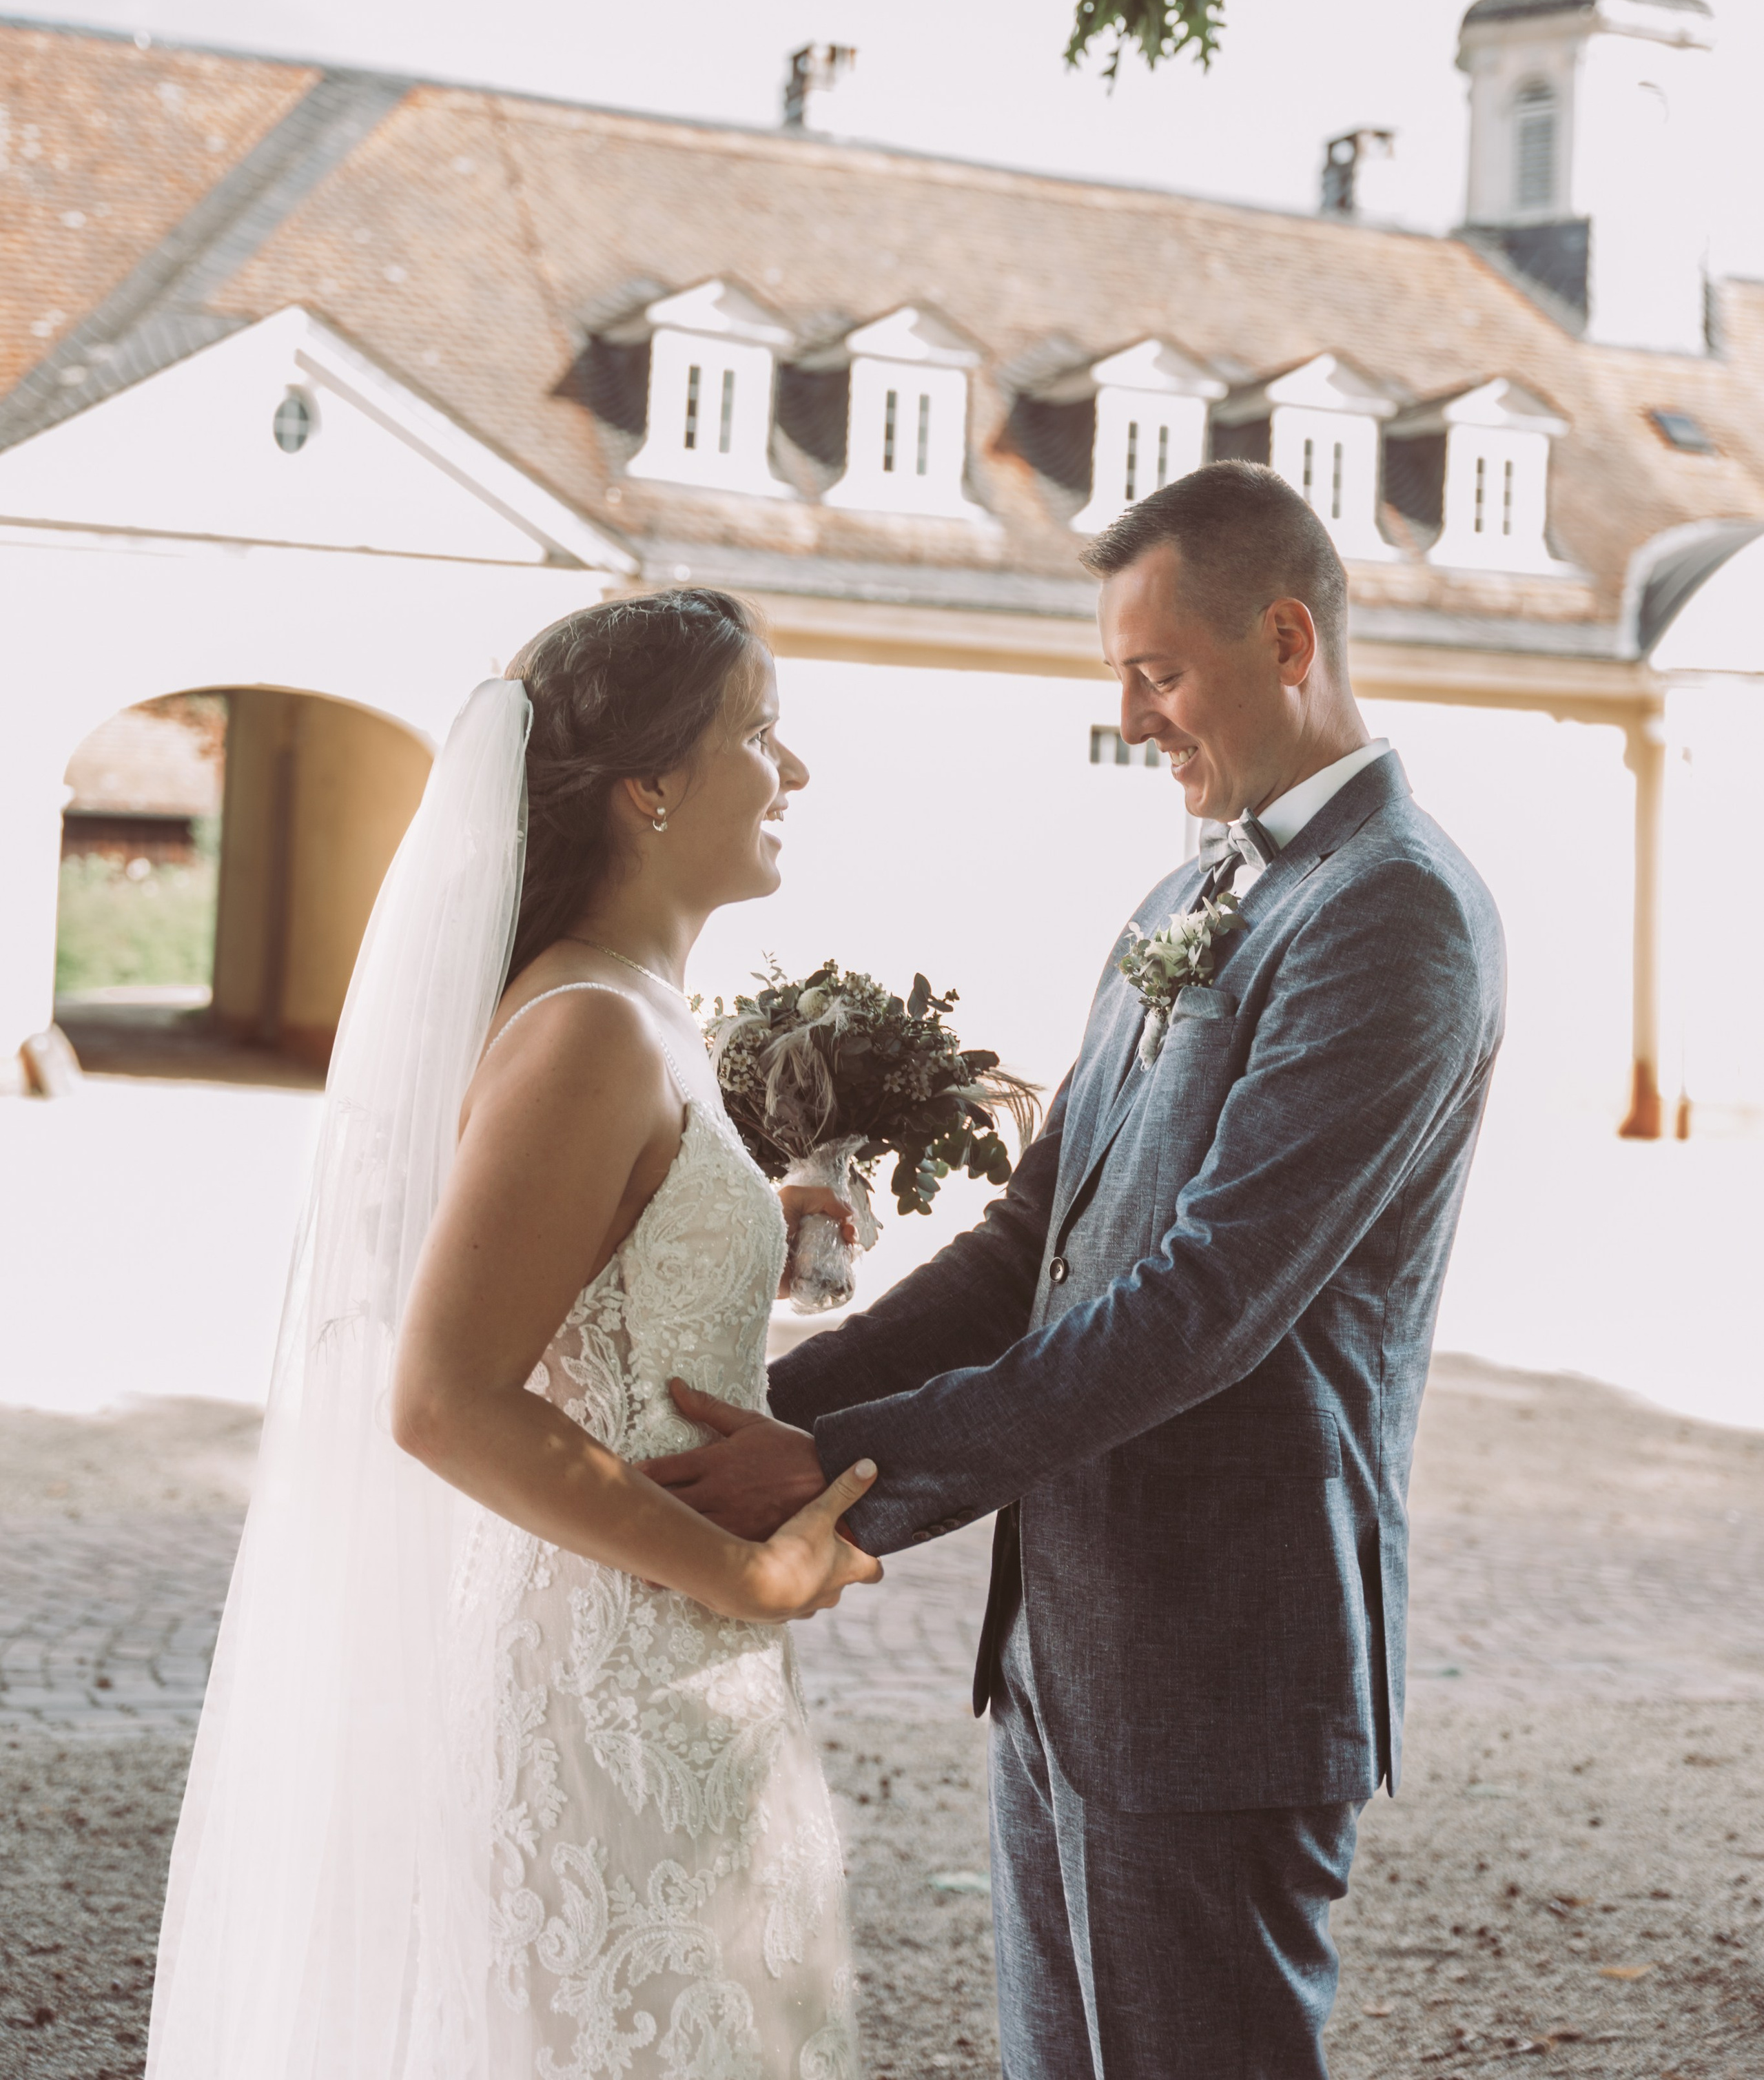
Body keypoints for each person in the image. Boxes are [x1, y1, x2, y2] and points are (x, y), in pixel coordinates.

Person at [642, 464, 1508, 2080]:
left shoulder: (1393, 912)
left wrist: (830, 1473)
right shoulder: (1184, 892)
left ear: (1286, 638)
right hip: (1069, 1632)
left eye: (1157, 671)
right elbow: (1018, 1251)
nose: (1129, 717)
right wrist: (754, 1406)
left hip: (1223, 1650)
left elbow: (1200, 1308)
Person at [147, 590, 875, 2080]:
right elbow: (445, 1397)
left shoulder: (640, 1012)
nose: (794, 771)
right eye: (762, 733)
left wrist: (767, 1224)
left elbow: (612, 1311)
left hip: (670, 1666)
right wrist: (743, 1573)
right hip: (601, 1676)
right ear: (648, 785)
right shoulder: (588, 1028)